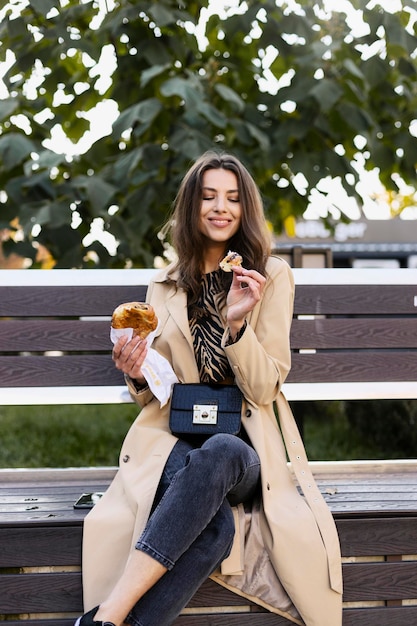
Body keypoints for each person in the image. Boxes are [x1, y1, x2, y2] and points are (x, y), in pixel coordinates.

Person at [77, 151, 343, 626]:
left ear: (245, 209)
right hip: (175, 440)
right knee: (214, 529)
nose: (221, 207)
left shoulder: (270, 276)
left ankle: (106, 617)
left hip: (244, 447)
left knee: (220, 449)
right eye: (208, 196)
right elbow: (156, 388)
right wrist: (136, 370)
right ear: (191, 207)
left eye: (233, 198)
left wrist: (237, 326)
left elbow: (264, 389)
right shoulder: (164, 285)